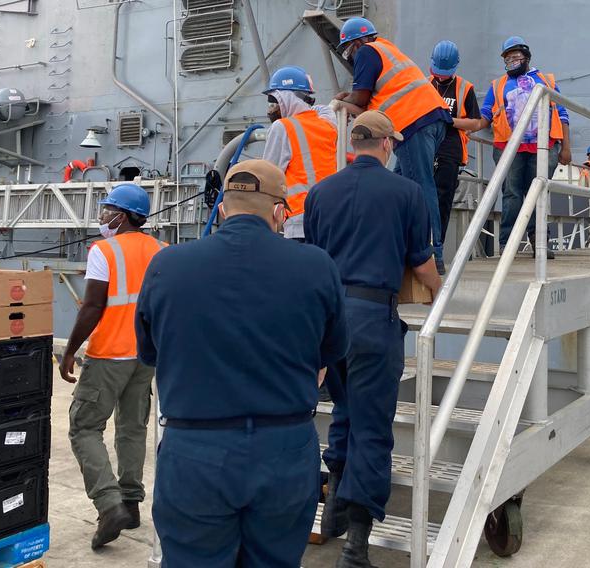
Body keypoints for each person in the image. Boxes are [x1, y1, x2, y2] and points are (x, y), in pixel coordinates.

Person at [135, 159, 349, 567]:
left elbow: (150, 353)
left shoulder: (168, 265)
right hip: (284, 449)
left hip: (195, 450)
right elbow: (330, 353)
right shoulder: (317, 266)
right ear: (278, 211)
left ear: (222, 207)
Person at [304, 110, 442, 568]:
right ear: (386, 145)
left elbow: (316, 256)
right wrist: (441, 294)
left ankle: (336, 507)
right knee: (372, 428)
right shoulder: (407, 192)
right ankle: (356, 546)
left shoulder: (320, 193)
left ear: (353, 146)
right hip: (372, 320)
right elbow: (420, 263)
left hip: (327, 319)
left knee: (343, 409)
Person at [58, 183, 165, 550]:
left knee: (84, 427)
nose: (102, 217)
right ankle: (132, 503)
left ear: (121, 216)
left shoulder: (104, 250)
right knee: (133, 427)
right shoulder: (161, 251)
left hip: (108, 355)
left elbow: (92, 307)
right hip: (145, 356)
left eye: (107, 210)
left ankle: (109, 505)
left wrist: (70, 350)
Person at [333, 17, 452, 273]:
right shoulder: (386, 49)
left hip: (413, 122)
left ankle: (432, 256)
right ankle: (402, 248)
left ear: (354, 43)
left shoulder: (366, 52)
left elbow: (361, 98)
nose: (350, 57)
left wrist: (343, 100)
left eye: (347, 51)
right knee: (397, 188)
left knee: (419, 188)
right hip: (430, 119)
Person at [479, 36, 572, 256]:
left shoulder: (546, 81)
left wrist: (565, 147)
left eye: (515, 57)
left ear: (526, 57)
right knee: (511, 194)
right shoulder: (498, 85)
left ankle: (539, 242)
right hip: (508, 148)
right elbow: (484, 116)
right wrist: (461, 125)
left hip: (543, 147)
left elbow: (562, 113)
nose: (511, 61)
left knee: (537, 193)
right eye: (507, 58)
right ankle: (506, 243)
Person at [262, 65, 337, 241]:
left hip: (300, 220)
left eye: (275, 101)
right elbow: (324, 109)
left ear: (287, 98)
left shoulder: (282, 127)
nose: (272, 109)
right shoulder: (327, 124)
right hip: (331, 215)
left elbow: (267, 176)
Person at [428, 40, 484, 249]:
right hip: (426, 145)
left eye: (444, 72)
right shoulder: (425, 83)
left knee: (443, 197)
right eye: (438, 71)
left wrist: (449, 120)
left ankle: (437, 246)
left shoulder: (465, 88)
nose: (440, 76)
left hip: (450, 147)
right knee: (419, 195)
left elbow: (476, 122)